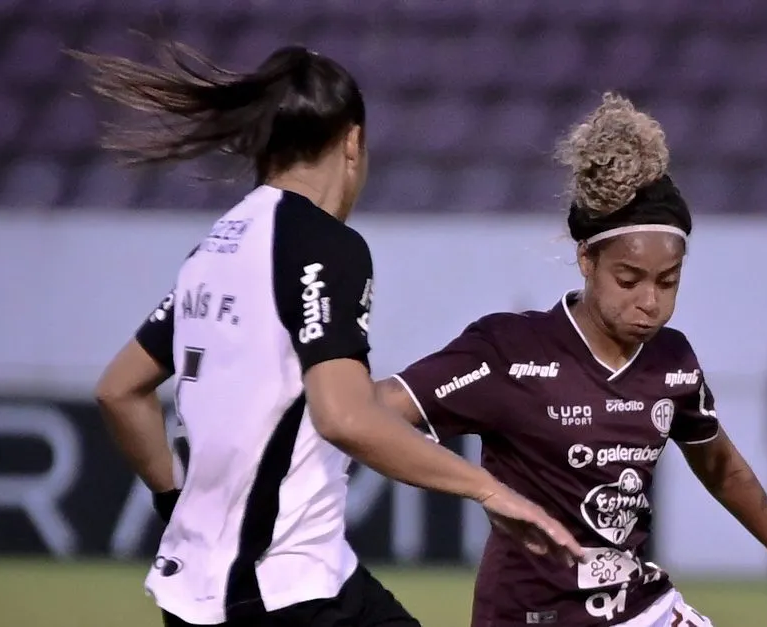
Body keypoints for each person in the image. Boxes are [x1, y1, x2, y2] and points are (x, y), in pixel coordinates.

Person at [76, 42, 583, 627]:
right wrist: (488, 489)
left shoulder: (215, 248)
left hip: (202, 588)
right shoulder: (323, 244)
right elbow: (343, 417)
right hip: (281, 590)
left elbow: (119, 390)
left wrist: (174, 501)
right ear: (352, 141)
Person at [376, 93, 767, 627]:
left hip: (637, 606)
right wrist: (482, 489)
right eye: (629, 279)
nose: (650, 302)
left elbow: (717, 463)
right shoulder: (510, 350)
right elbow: (372, 414)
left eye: (668, 282)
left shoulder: (672, 360)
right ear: (586, 259)